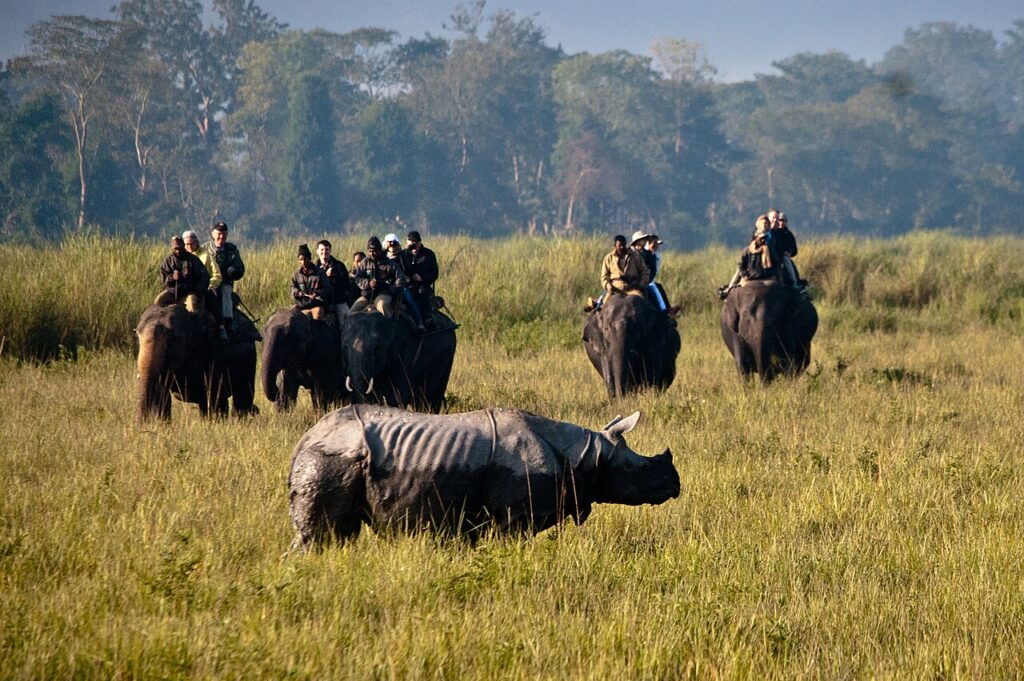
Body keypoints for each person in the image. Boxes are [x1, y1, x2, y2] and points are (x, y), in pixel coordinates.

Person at [586, 234, 650, 312]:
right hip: (615, 290)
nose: (622, 247)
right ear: (615, 245)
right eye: (619, 245)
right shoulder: (608, 258)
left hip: (633, 289)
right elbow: (604, 277)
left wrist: (641, 285)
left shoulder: (635, 256)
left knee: (644, 307)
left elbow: (645, 272)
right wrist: (609, 286)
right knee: (602, 310)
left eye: (623, 245)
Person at [183, 229, 226, 339]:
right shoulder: (181, 256)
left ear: (196, 242)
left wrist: (211, 285)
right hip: (183, 288)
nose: (189, 246)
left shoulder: (206, 255)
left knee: (210, 303)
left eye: (191, 243)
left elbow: (217, 275)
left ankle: (221, 327)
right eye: (186, 244)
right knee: (160, 300)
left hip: (202, 288)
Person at [205, 221, 245, 334]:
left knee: (226, 291)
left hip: (224, 283)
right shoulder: (204, 249)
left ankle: (227, 323)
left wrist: (233, 272)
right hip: (207, 284)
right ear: (213, 234)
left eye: (224, 233)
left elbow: (240, 268)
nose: (221, 236)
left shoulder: (232, 250)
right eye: (218, 233)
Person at [382, 233, 426, 332]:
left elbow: (408, 270)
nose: (392, 246)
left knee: (410, 300)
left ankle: (420, 322)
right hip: (385, 286)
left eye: (395, 244)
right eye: (390, 244)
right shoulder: (382, 258)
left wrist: (406, 279)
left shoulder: (403, 256)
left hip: (400, 285)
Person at [156, 236, 210, 308]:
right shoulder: (168, 261)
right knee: (158, 301)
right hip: (172, 292)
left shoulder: (193, 259)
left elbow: (204, 276)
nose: (178, 251)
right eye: (176, 248)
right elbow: (163, 279)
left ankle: (194, 318)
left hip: (190, 292)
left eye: (180, 248)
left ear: (183, 246)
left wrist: (197, 290)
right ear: (172, 248)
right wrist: (172, 277)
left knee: (192, 305)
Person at [351, 236, 397, 316]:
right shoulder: (364, 262)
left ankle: (391, 325)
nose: (372, 253)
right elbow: (358, 278)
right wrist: (368, 283)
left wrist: (391, 289)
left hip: (383, 293)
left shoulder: (389, 263)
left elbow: (400, 278)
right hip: (367, 295)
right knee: (351, 313)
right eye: (370, 251)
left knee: (382, 305)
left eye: (375, 251)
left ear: (379, 250)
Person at [404, 230, 439, 328]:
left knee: (421, 293)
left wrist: (422, 278)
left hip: (423, 286)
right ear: (407, 243)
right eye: (412, 242)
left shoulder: (428, 254)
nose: (414, 245)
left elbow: (434, 273)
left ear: (420, 242)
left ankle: (427, 318)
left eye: (416, 242)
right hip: (407, 286)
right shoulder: (404, 255)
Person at [292, 244, 333, 320]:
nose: (303, 262)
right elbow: (293, 288)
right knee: (290, 316)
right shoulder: (296, 275)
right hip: (302, 305)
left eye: (305, 259)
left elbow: (328, 289)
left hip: (316, 304)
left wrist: (318, 293)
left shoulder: (320, 272)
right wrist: (298, 292)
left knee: (317, 316)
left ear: (309, 258)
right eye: (300, 259)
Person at [645, 235, 680, 317]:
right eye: (654, 243)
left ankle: (668, 308)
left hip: (649, 280)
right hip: (644, 281)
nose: (656, 246)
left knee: (658, 285)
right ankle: (664, 309)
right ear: (648, 244)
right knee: (654, 286)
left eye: (657, 244)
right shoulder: (645, 255)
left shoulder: (655, 256)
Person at [316, 239, 351, 320]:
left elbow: (346, 285)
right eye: (322, 250)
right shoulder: (314, 268)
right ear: (317, 251)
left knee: (345, 318)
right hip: (321, 303)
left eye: (327, 249)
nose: (324, 252)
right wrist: (325, 277)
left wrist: (332, 279)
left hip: (338, 301)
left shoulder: (339, 266)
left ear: (330, 251)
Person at [770, 212, 803, 289]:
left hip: (781, 256)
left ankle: (795, 282)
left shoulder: (787, 234)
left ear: (786, 222)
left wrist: (788, 252)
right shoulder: (771, 231)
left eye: (782, 220)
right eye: (779, 220)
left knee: (786, 260)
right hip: (769, 254)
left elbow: (793, 249)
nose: (781, 222)